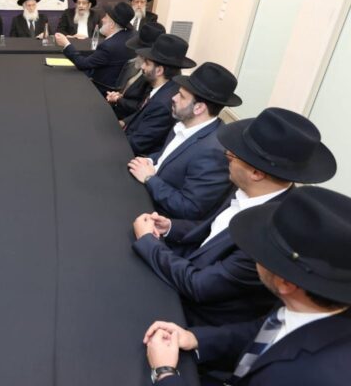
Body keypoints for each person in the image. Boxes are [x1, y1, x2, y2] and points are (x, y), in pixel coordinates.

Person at [132, 108, 337, 326]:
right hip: (182, 274)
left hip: (192, 318)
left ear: (256, 173)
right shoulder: (248, 189)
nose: (226, 159)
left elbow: (199, 286)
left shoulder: (272, 235)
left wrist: (148, 242)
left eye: (231, 156)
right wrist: (170, 227)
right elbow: (212, 232)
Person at [144, 186, 351, 386]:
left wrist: (165, 373)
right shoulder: (308, 303)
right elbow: (263, 330)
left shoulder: (304, 375)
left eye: (261, 249)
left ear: (286, 283)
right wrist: (195, 338)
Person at [128, 62, 242, 220]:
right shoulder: (184, 124)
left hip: (155, 214)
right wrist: (148, 160)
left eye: (181, 96)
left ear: (199, 108)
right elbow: (165, 157)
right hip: (146, 191)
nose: (173, 98)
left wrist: (149, 179)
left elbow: (189, 207)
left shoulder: (214, 152)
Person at [123, 34, 196, 156]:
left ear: (159, 70)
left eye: (147, 63)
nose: (142, 66)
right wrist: (124, 122)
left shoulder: (163, 103)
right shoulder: (166, 87)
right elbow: (143, 113)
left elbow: (137, 144)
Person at [54, 1, 136, 95]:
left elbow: (83, 64)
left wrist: (66, 44)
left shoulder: (108, 46)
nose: (102, 19)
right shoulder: (131, 37)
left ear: (112, 24)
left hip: (100, 88)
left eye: (105, 17)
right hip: (116, 84)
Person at [106, 22, 166, 119]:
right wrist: (119, 96)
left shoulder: (153, 73)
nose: (136, 53)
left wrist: (118, 99)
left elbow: (142, 107)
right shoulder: (139, 64)